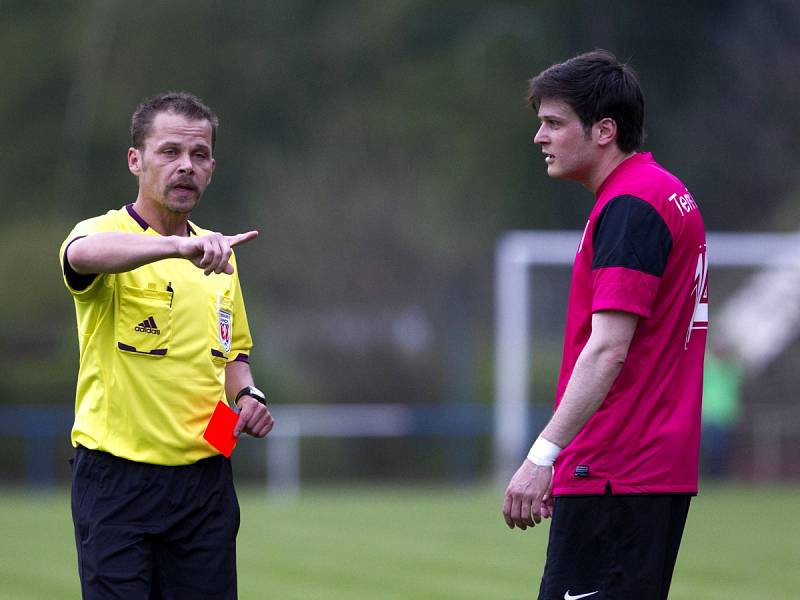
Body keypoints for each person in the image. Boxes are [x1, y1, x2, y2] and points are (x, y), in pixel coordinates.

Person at [501, 50, 708, 600]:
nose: (539, 137)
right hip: (641, 470)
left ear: (604, 131)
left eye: (553, 123)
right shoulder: (663, 192)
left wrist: (542, 456)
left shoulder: (632, 204)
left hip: (618, 469)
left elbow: (608, 350)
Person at [59, 91, 274, 599]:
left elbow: (232, 356)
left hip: (205, 483)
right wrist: (177, 246)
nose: (186, 167)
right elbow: (81, 255)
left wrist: (248, 398)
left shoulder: (221, 257)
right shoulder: (103, 233)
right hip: (116, 480)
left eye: (199, 156)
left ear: (213, 167)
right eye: (170, 152)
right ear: (136, 160)